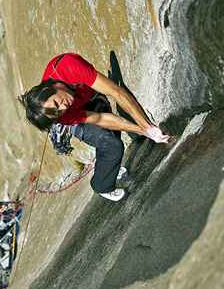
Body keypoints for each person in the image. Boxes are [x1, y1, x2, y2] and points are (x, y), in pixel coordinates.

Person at [19, 53, 170, 201]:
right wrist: (144, 130)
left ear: (49, 88)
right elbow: (99, 118)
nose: (64, 106)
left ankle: (108, 168)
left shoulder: (68, 67)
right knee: (112, 145)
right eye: (58, 112)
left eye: (57, 103)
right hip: (75, 119)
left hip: (87, 95)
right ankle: (101, 186)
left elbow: (116, 92)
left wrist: (146, 127)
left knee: (110, 136)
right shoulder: (63, 115)